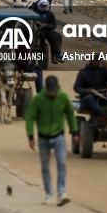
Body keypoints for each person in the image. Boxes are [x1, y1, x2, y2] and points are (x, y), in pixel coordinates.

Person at [25, 75, 78, 206]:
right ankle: (48, 193)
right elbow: (30, 117)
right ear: (46, 88)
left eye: (54, 90)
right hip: (43, 138)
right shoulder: (38, 99)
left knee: (61, 163)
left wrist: (74, 132)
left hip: (59, 136)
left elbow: (70, 115)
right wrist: (30, 136)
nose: (52, 93)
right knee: (45, 167)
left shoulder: (63, 97)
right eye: (50, 91)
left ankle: (61, 193)